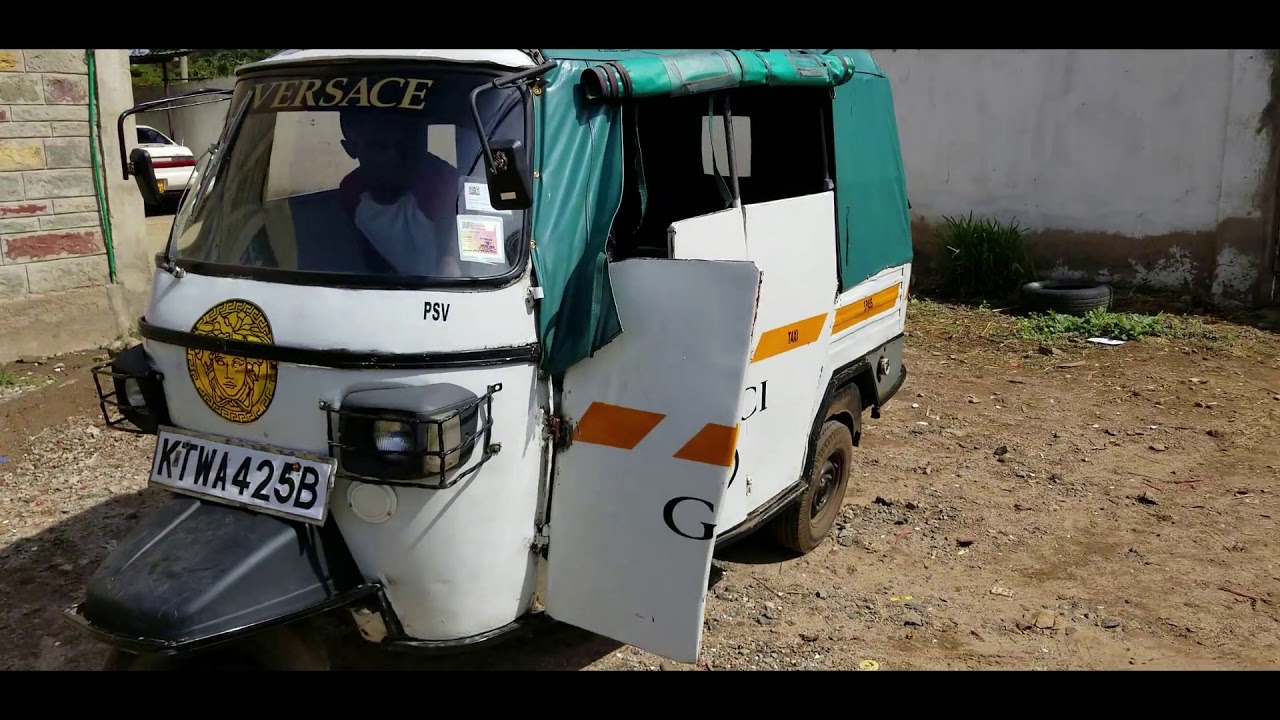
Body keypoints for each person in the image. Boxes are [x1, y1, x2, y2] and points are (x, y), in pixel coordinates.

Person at [336, 107, 463, 277]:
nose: (394, 157)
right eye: (379, 147)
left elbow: (453, 268)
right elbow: (364, 261)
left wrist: (450, 262)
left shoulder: (441, 182)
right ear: (351, 149)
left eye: (403, 145)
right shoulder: (352, 192)